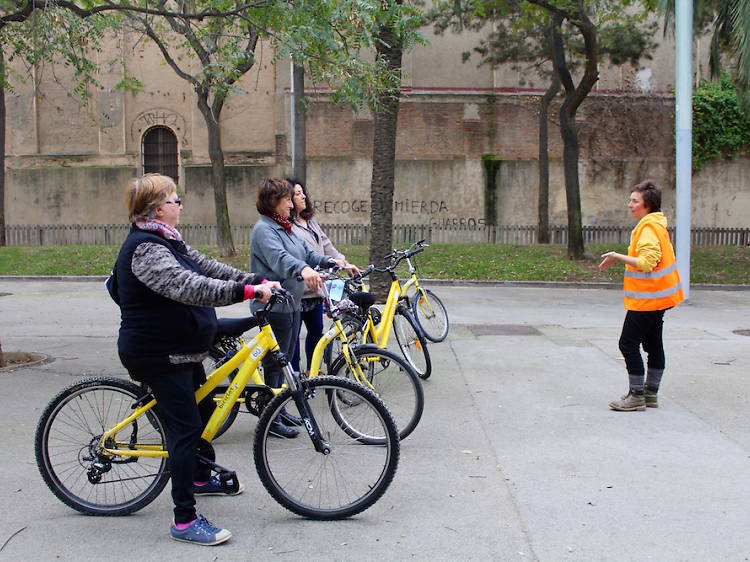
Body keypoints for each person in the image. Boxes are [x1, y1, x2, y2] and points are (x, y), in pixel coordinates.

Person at [113, 173, 279, 546]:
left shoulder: (168, 240)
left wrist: (255, 278)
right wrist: (246, 290)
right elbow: (192, 287)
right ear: (158, 209)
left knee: (202, 411)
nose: (180, 204)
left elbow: (208, 268)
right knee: (185, 429)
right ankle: (184, 520)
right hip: (157, 353)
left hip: (181, 348)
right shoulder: (146, 249)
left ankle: (200, 476)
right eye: (175, 199)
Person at [249, 177, 346, 437]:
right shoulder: (264, 230)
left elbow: (306, 252)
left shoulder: (284, 227)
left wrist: (332, 262)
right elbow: (281, 260)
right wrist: (303, 269)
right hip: (272, 307)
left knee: (285, 360)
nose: (292, 205)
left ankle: (277, 409)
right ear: (273, 202)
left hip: (289, 303)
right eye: (287, 199)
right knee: (275, 362)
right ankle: (270, 418)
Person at [599, 180, 684, 412]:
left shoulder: (648, 229)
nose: (630, 205)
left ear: (648, 205)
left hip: (646, 300)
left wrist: (617, 256)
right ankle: (650, 393)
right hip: (657, 299)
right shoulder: (657, 225)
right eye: (631, 200)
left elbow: (647, 263)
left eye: (635, 201)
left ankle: (637, 395)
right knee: (653, 344)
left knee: (627, 343)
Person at [288, 178, 360, 373]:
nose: (303, 196)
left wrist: (344, 263)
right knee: (293, 337)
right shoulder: (288, 226)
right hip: (299, 289)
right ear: (287, 199)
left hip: (316, 289)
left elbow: (326, 246)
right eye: (297, 193)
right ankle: (295, 376)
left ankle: (313, 370)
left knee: (316, 332)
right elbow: (297, 256)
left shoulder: (310, 221)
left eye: (303, 192)